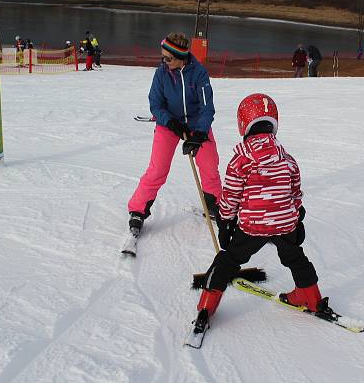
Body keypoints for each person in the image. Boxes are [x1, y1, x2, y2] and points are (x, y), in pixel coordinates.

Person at [193, 93, 327, 324]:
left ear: (243, 124)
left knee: (229, 260)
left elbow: (231, 196)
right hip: (285, 223)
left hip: (253, 226)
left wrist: (225, 222)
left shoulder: (240, 161)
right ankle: (311, 297)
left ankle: (207, 306)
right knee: (295, 257)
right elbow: (295, 192)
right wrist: (297, 217)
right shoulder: (288, 158)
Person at [127, 32, 222, 235]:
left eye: (168, 58)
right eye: (162, 56)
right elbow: (155, 104)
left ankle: (215, 205)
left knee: (209, 165)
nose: (164, 61)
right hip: (169, 124)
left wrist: (199, 135)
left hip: (197, 124)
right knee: (157, 169)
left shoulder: (199, 73)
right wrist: (170, 122)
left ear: (181, 57)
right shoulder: (161, 73)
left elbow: (207, 108)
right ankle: (137, 210)